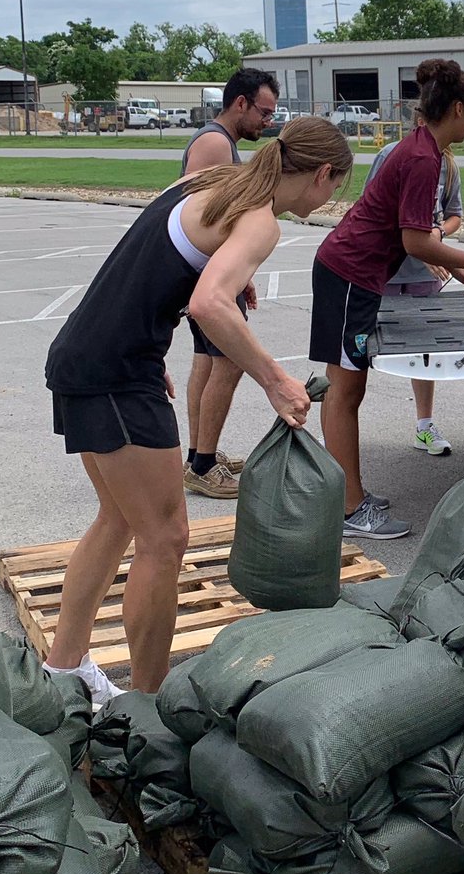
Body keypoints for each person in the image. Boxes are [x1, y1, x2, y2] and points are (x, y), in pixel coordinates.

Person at [44, 117, 351, 702]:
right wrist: (277, 380)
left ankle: (63, 669)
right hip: (115, 373)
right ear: (322, 175)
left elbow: (152, 261)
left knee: (117, 519)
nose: (331, 198)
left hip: (91, 356)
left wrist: (210, 292)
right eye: (335, 188)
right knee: (165, 538)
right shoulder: (259, 221)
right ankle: (148, 705)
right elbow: (210, 304)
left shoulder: (214, 182)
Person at [311, 59, 464, 540]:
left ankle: (349, 493)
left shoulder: (422, 150)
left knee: (348, 389)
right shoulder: (423, 157)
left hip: (354, 276)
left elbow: (414, 235)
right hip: (349, 275)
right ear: (457, 108)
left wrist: (451, 259)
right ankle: (350, 509)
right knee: (344, 391)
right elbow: (414, 241)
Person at [179, 67, 281, 500]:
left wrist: (244, 274)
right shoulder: (216, 143)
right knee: (230, 361)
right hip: (207, 277)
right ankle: (202, 466)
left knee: (206, 361)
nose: (268, 122)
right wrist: (229, 276)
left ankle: (201, 454)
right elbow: (204, 216)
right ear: (240, 103)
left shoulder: (222, 142)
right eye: (263, 111)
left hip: (208, 272)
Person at [364, 108, 464, 456]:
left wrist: (436, 234)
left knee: (426, 351)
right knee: (366, 348)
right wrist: (424, 249)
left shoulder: (447, 165)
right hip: (388, 270)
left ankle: (425, 425)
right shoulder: (390, 156)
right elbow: (377, 211)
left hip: (424, 276)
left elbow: (454, 216)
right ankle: (345, 426)